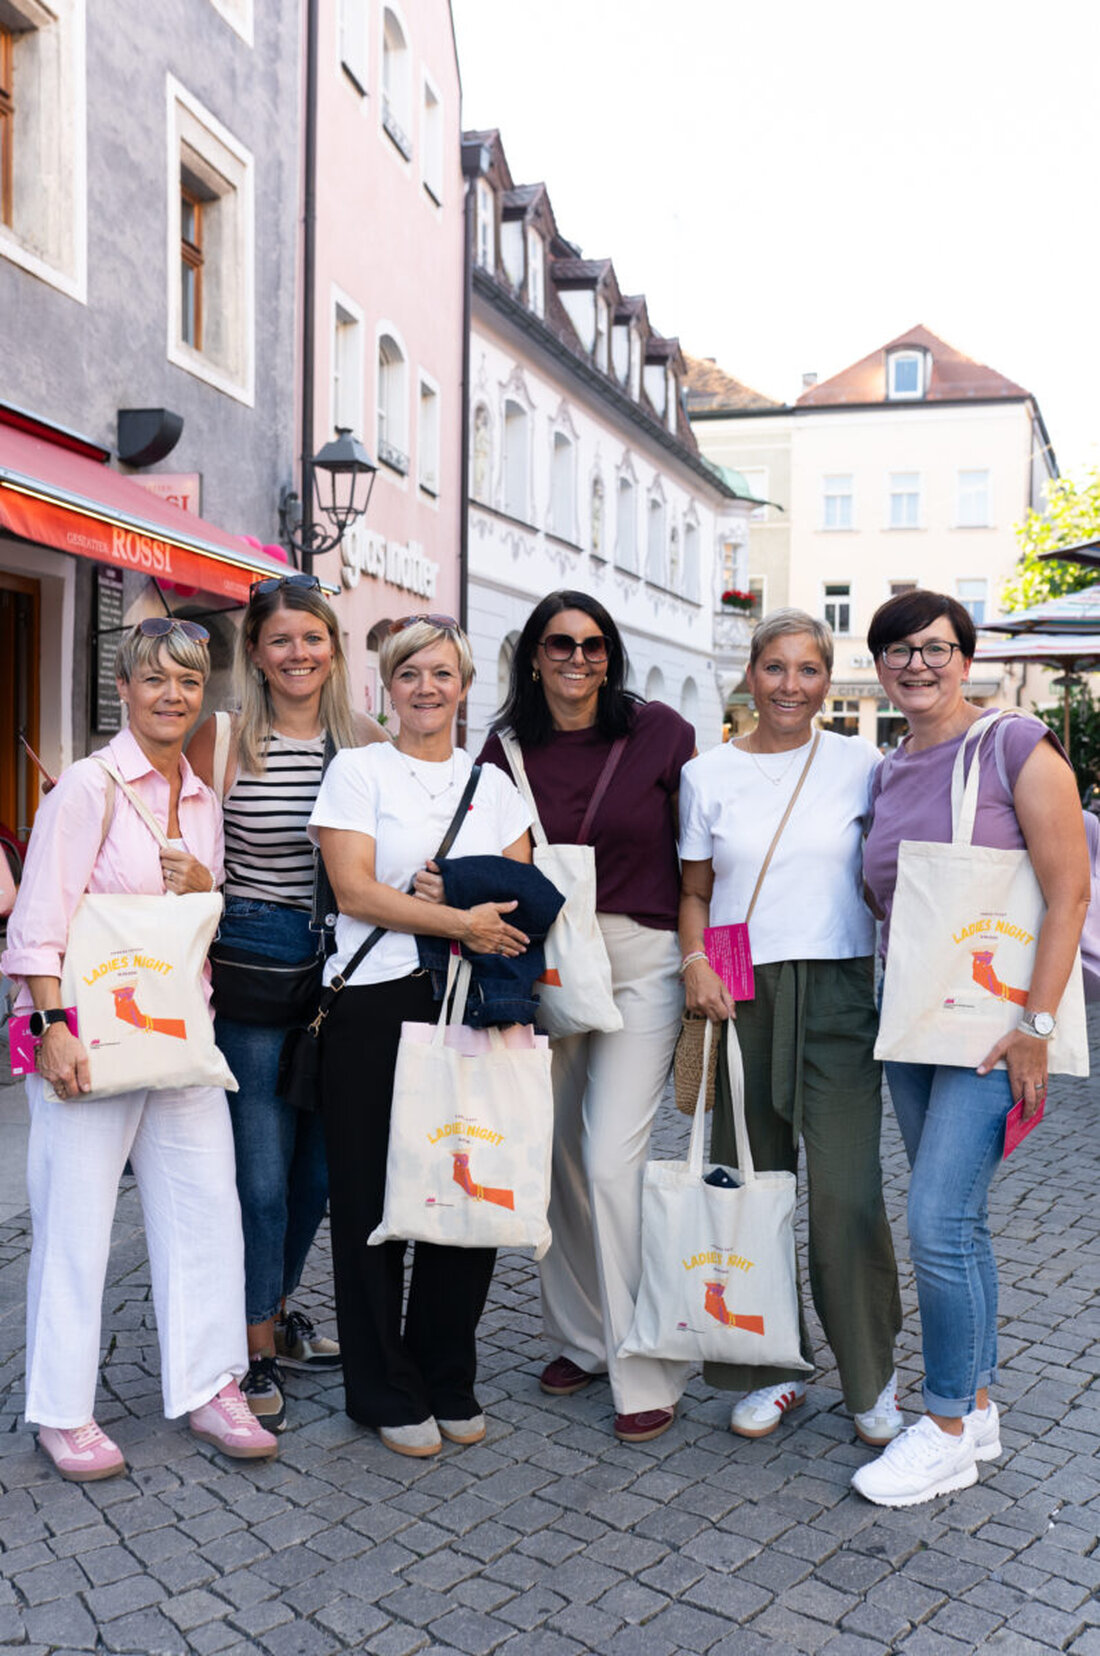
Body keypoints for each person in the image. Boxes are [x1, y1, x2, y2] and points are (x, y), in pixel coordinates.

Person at [0, 618, 278, 1480]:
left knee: (206, 1213)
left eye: (189, 683)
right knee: (76, 1224)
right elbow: (37, 924)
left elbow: (192, 924)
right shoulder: (87, 787)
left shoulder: (201, 795)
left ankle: (210, 1384)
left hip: (178, 1035)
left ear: (206, 696)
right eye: (155, 680)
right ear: (124, 688)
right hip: (89, 1037)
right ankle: (61, 1410)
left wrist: (210, 887)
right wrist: (51, 1030)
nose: (172, 696)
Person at [853, 590, 1090, 1507]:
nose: (918, 665)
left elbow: (1068, 891)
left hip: (994, 1029)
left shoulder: (1015, 745)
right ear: (878, 666)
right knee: (961, 1224)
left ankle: (947, 1424)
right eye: (898, 652)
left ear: (966, 656)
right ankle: (979, 1405)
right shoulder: (889, 767)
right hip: (916, 1013)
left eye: (935, 648)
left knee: (936, 1223)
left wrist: (1034, 1026)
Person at [310, 615, 533, 1458]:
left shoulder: (496, 786)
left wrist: (466, 901)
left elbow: (525, 891)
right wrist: (454, 915)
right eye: (411, 675)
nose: (427, 688)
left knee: (463, 1181)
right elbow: (355, 891)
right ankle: (380, 1386)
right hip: (374, 998)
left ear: (466, 686)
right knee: (369, 1198)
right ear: (387, 688)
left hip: (475, 1001)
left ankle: (448, 1374)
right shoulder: (358, 772)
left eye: (443, 674)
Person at [678, 608, 902, 1445]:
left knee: (845, 1195)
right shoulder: (708, 775)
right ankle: (772, 1369)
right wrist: (694, 961)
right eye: (775, 668)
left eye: (808, 670)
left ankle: (870, 1380)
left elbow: (886, 872)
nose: (791, 686)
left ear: (827, 679)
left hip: (840, 984)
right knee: (751, 1186)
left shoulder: (862, 764)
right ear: (751, 672)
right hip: (738, 984)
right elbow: (696, 890)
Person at [479, 590, 694, 1445]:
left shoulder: (662, 734)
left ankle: (646, 1362)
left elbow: (705, 858)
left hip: (643, 962)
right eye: (561, 644)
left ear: (613, 656)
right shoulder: (501, 752)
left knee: (610, 1161)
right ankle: (578, 1336)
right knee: (556, 1158)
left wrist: (718, 962)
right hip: (550, 964)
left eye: (595, 645)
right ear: (533, 656)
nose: (579, 659)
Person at [188, 572, 388, 1434]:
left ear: (334, 648)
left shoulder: (367, 743)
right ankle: (254, 1341)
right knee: (262, 1177)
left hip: (346, 966)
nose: (298, 653)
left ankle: (272, 1305)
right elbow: (183, 843)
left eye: (313, 637)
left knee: (321, 1172)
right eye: (281, 640)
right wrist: (206, 883)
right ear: (258, 654)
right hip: (254, 963)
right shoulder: (223, 738)